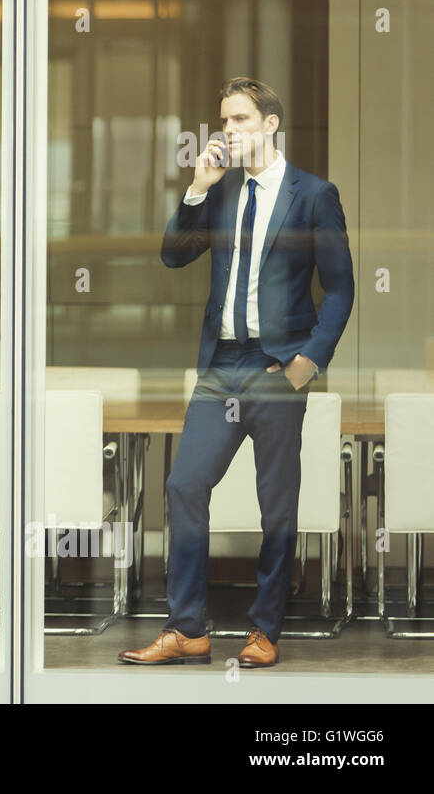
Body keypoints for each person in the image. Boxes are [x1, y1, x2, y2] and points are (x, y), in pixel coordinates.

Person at [120, 78, 354, 668]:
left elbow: (342, 288)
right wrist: (197, 188)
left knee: (275, 503)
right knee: (184, 485)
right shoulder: (220, 193)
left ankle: (265, 629)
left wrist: (307, 363)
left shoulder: (312, 195)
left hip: (277, 368)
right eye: (225, 121)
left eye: (242, 120)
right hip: (221, 366)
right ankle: (188, 628)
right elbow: (174, 254)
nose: (230, 131)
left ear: (271, 125)